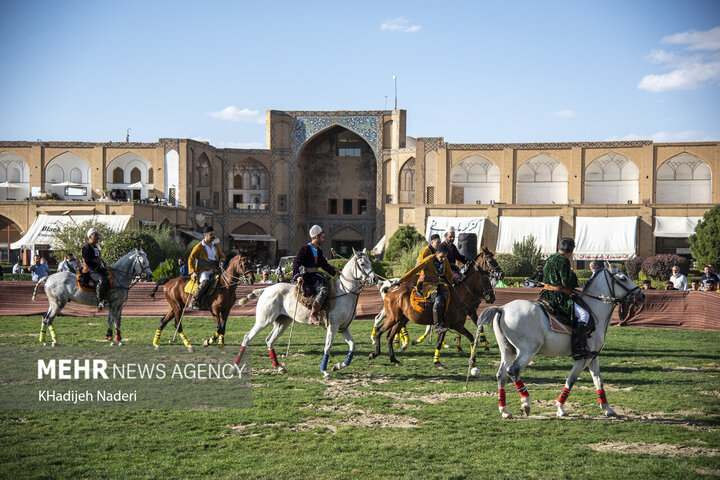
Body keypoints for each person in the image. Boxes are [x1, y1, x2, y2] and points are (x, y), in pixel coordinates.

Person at [540, 237, 596, 360]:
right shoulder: (564, 260)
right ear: (571, 250)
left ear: (559, 247)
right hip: (558, 297)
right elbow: (566, 282)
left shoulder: (550, 258)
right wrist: (573, 277)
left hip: (545, 295)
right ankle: (578, 349)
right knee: (584, 315)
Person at [398, 243, 456, 333]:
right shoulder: (428, 260)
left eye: (445, 256)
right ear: (436, 253)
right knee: (439, 299)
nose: (443, 259)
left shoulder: (445, 260)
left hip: (438, 283)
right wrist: (402, 280)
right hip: (426, 285)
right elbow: (415, 270)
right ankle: (437, 326)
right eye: (441, 256)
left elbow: (449, 272)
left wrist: (456, 280)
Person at [292, 225, 337, 325]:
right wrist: (297, 276)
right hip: (308, 278)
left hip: (316, 276)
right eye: (322, 237)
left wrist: (336, 271)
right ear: (317, 237)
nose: (323, 240)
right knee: (324, 290)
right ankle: (313, 315)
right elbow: (296, 262)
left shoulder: (319, 251)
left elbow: (324, 265)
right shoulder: (305, 249)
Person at [188, 225, 225, 310]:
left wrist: (222, 261)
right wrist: (192, 272)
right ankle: (194, 300)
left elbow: (222, 256)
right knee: (205, 281)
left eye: (213, 234)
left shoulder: (215, 246)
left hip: (215, 270)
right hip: (203, 271)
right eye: (211, 235)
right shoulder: (199, 247)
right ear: (205, 235)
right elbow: (191, 258)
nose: (213, 236)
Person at [82, 229, 110, 309]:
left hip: (98, 269)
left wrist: (102, 264)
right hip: (90, 270)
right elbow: (87, 260)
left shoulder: (95, 247)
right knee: (101, 279)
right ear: (90, 236)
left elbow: (98, 258)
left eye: (98, 235)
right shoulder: (86, 247)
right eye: (95, 235)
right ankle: (100, 301)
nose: (98, 237)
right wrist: (96, 262)